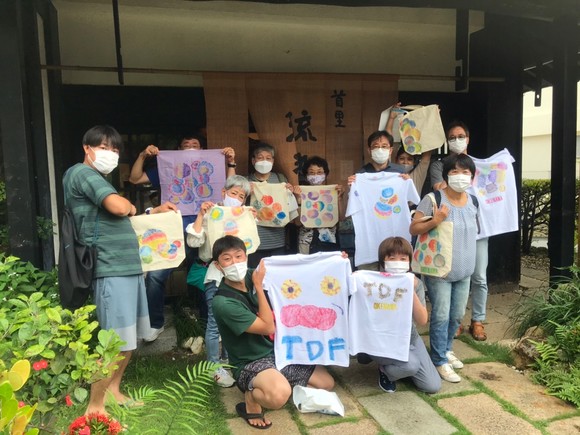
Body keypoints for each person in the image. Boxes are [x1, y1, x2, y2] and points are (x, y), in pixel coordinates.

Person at [63, 125, 177, 414]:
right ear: (87, 148)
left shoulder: (98, 179)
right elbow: (118, 207)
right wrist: (128, 205)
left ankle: (113, 392)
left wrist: (150, 212)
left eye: (115, 149)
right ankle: (95, 406)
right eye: (104, 147)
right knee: (114, 341)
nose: (110, 154)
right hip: (110, 266)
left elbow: (121, 217)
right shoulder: (83, 173)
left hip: (127, 267)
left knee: (128, 338)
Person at [211, 235, 334, 429]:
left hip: (279, 351)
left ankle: (277, 382)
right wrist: (259, 288)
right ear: (218, 266)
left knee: (326, 383)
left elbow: (301, 271)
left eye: (238, 256)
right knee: (278, 397)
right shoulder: (223, 303)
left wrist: (335, 262)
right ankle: (252, 397)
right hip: (251, 361)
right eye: (227, 259)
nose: (234, 263)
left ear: (246, 256)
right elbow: (268, 327)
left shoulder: (253, 275)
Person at [128, 136, 237, 342]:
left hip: (207, 229)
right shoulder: (168, 167)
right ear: (178, 149)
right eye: (186, 145)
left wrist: (230, 162)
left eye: (195, 146)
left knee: (208, 274)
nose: (190, 149)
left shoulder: (213, 165)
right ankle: (155, 324)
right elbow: (135, 179)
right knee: (156, 275)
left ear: (203, 149)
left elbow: (231, 186)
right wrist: (143, 155)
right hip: (173, 228)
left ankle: (209, 323)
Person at [410, 154, 479, 383]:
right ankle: (439, 360)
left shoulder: (473, 201)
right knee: (440, 315)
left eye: (465, 172)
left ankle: (447, 349)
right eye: (455, 172)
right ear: (446, 175)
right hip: (439, 272)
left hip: (464, 270)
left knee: (457, 315)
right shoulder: (434, 199)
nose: (460, 176)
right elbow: (414, 228)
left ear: (472, 176)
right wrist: (436, 219)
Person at [185, 175, 255, 388]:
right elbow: (193, 240)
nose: (237, 198)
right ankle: (213, 366)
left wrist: (251, 219)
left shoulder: (243, 216)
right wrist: (201, 214)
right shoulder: (211, 213)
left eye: (241, 196)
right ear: (224, 192)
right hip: (215, 276)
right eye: (234, 193)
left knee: (232, 320)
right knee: (215, 323)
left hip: (237, 277)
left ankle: (228, 360)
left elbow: (251, 244)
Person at [430, 121, 488, 341]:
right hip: (450, 229)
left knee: (479, 276)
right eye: (452, 137)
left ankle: (478, 320)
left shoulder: (483, 166)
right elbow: (439, 188)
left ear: (468, 138)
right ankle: (457, 321)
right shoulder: (439, 166)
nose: (457, 140)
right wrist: (456, 176)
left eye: (460, 136)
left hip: (478, 228)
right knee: (454, 274)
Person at [365, 237, 441, 394]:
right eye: (392, 258)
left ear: (409, 262)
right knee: (411, 365)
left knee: (432, 386)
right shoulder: (371, 282)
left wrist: (409, 289)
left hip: (409, 338)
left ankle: (400, 367)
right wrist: (342, 262)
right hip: (380, 340)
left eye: (403, 259)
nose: (397, 262)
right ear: (383, 261)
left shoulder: (415, 283)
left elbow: (422, 320)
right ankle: (386, 370)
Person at [246, 143, 297, 268]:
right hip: (254, 241)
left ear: (273, 161)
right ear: (253, 160)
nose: (264, 161)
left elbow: (289, 206)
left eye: (268, 158)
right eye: (260, 158)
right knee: (255, 273)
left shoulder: (280, 179)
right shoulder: (246, 181)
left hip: (277, 240)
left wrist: (290, 193)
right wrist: (246, 193)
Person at [294, 156, 346, 254]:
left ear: (326, 174)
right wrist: (298, 199)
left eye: (319, 172)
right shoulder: (301, 192)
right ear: (306, 175)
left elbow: (341, 217)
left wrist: (339, 198)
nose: (315, 175)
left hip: (328, 239)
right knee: (307, 263)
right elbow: (297, 223)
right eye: (311, 172)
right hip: (306, 240)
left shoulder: (332, 192)